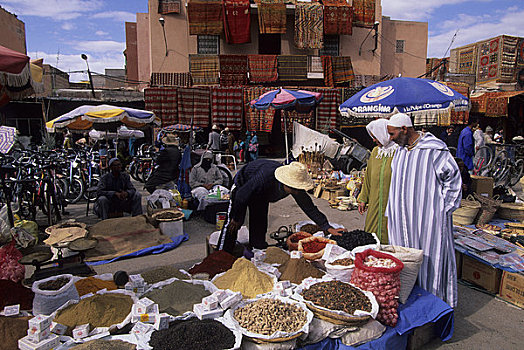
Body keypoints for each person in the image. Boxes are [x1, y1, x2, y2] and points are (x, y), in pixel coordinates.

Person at [386, 113, 462, 307]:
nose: (390, 138)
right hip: (402, 219)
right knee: (405, 260)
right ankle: (410, 303)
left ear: (405, 129)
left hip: (427, 220)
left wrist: (442, 210)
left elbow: (452, 179)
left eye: (393, 133)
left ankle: (434, 307)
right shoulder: (400, 151)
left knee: (431, 263)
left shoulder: (434, 150)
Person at [219, 161, 346, 253]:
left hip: (262, 195)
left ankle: (257, 249)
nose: (296, 192)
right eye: (293, 188)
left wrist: (326, 227)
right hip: (243, 185)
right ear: (285, 182)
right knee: (232, 225)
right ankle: (223, 253)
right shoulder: (263, 178)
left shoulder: (295, 189)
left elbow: (309, 207)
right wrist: (237, 217)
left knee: (260, 221)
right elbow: (241, 196)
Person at [357, 119, 398, 244]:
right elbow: (368, 176)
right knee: (371, 236)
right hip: (375, 202)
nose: (374, 140)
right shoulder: (376, 152)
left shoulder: (398, 152)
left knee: (390, 234)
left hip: (391, 203)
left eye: (375, 137)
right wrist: (363, 198)